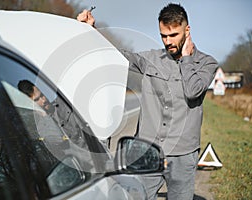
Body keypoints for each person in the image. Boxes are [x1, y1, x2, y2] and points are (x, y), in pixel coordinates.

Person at [77, 3, 218, 200]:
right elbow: (116, 55)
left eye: (174, 35)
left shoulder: (207, 63)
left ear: (187, 30)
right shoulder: (151, 59)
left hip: (183, 155)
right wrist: (91, 31)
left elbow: (193, 91)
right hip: (147, 150)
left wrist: (186, 58)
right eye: (163, 36)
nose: (168, 41)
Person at [17, 79, 86, 147]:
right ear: (31, 105)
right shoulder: (42, 128)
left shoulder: (63, 102)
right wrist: (45, 116)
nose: (43, 100)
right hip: (85, 156)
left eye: (42, 95)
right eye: (37, 100)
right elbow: (60, 139)